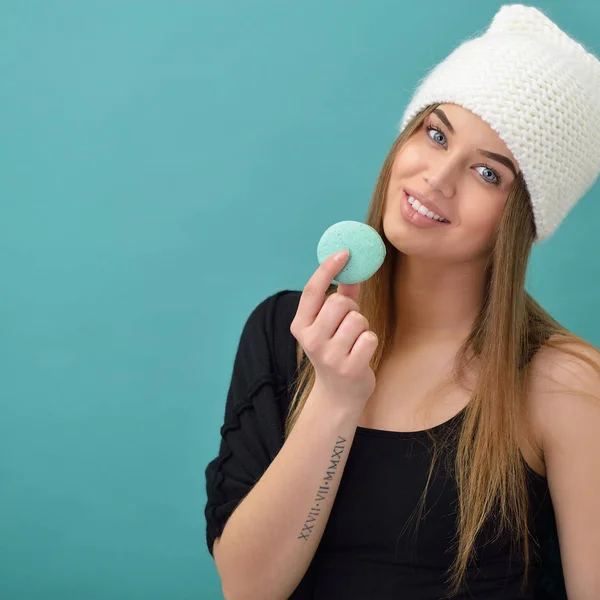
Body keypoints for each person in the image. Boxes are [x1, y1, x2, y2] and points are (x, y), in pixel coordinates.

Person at [205, 5, 600, 599]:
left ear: (519, 223)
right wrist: (335, 399)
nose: (438, 179)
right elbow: (248, 588)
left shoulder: (564, 385)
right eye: (435, 134)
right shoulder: (287, 331)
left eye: (488, 174)